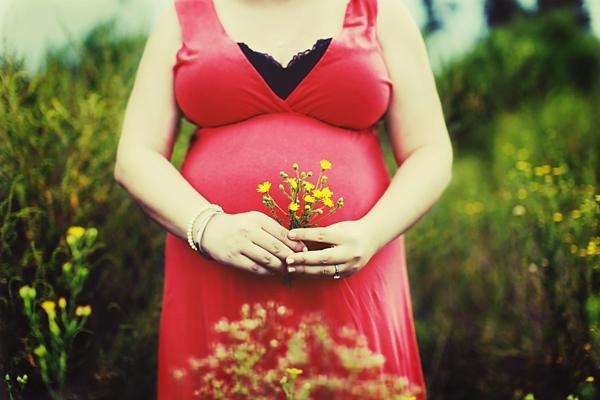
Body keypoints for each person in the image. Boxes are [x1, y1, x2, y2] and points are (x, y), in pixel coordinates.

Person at [114, 0, 453, 398]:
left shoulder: (380, 14)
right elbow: (135, 155)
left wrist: (371, 233)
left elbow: (430, 152)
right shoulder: (184, 16)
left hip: (354, 276)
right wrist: (209, 227)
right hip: (217, 274)